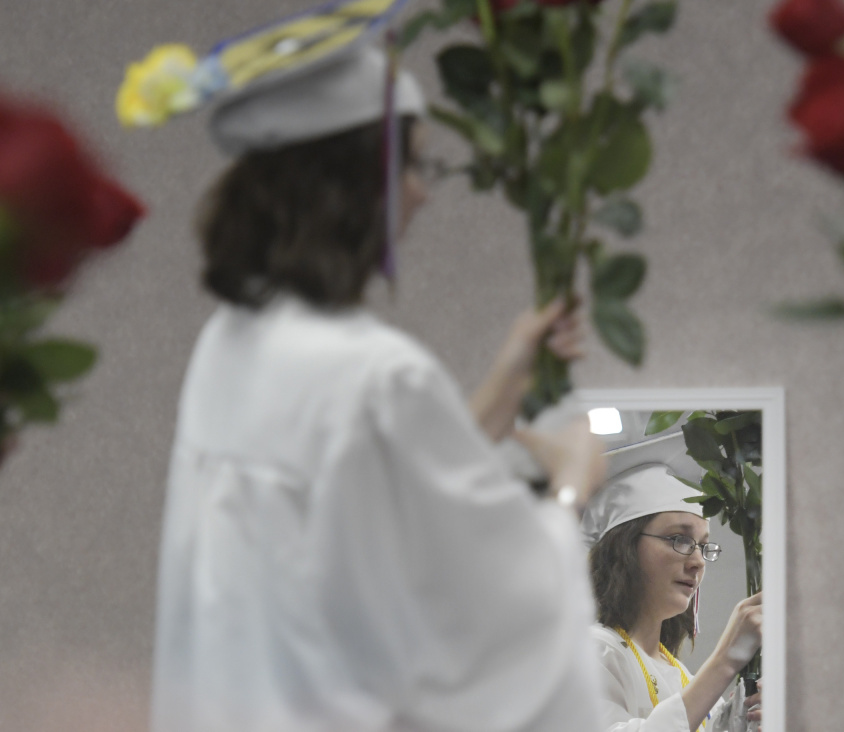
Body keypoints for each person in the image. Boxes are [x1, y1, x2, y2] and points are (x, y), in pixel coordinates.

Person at [142, 5, 608, 731]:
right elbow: (489, 616)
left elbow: (366, 496)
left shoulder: (230, 343)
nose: (423, 190)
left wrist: (509, 374)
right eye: (415, 164)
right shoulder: (376, 376)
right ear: (353, 182)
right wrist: (574, 486)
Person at [582, 432, 763, 732]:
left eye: (703, 545)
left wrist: (749, 714)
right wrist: (725, 659)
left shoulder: (680, 674)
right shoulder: (591, 651)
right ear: (624, 548)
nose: (698, 561)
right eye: (679, 539)